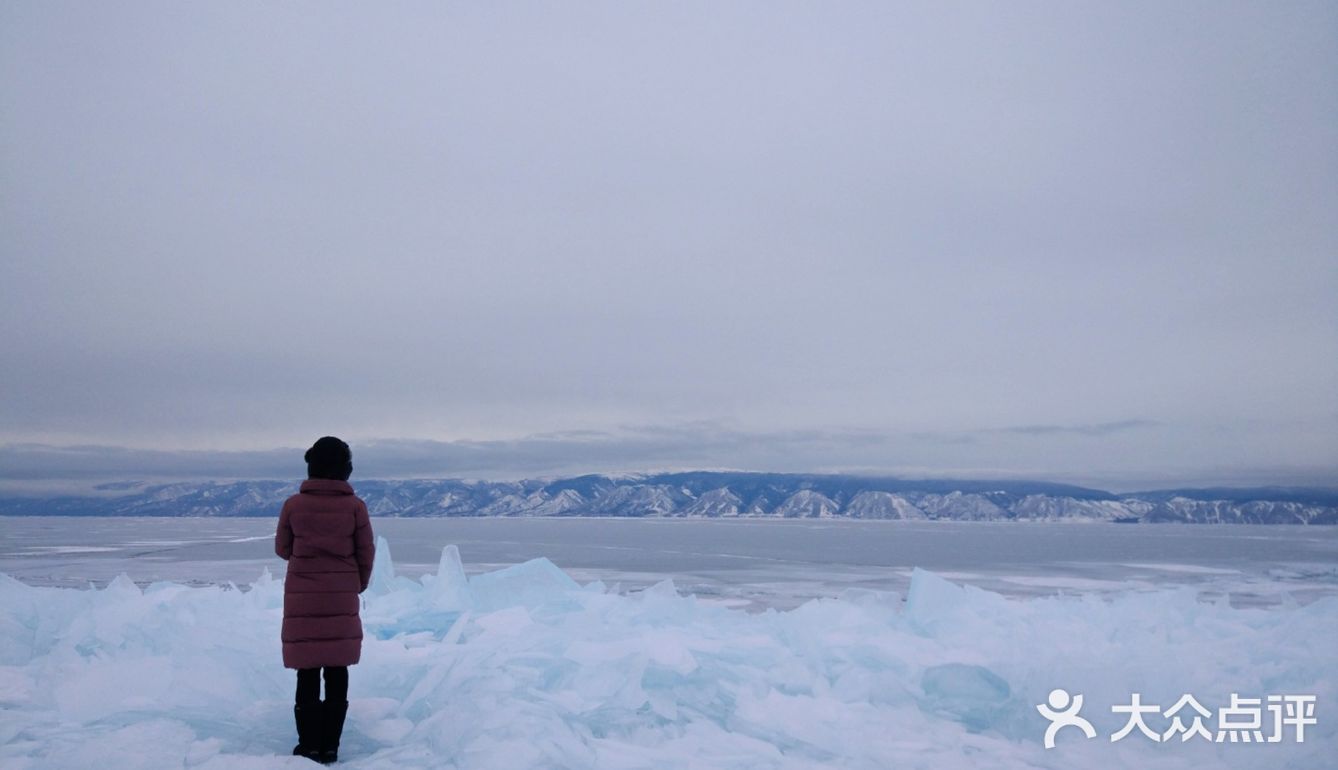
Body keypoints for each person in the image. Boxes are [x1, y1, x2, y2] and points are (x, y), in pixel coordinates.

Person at [275, 436, 375, 764]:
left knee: (306, 671)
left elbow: (282, 549)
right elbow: (365, 552)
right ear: (345, 469)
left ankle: (308, 745)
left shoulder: (293, 505)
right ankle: (331, 746)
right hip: (341, 596)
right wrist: (356, 584)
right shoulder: (355, 507)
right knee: (336, 670)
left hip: (301, 599)